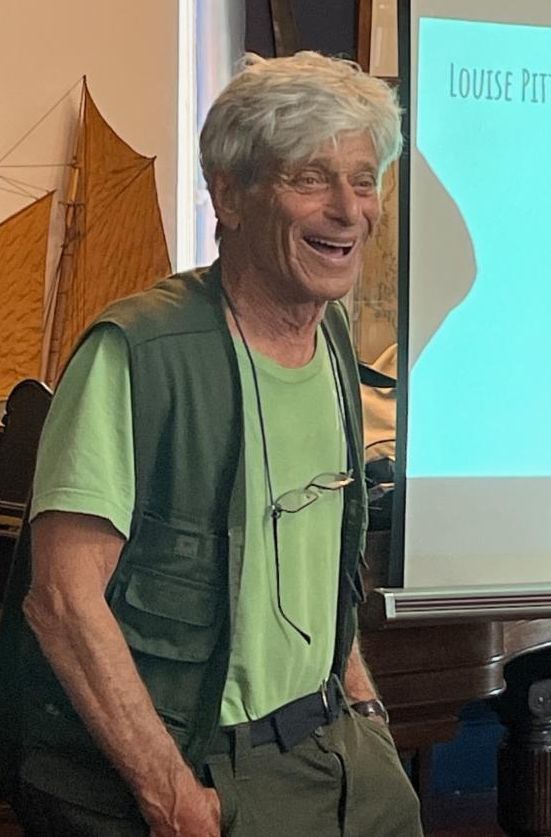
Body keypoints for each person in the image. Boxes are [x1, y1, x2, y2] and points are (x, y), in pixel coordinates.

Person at [0, 51, 422, 837]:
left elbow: (320, 557)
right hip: (206, 774)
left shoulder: (330, 336)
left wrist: (363, 707)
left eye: (363, 181)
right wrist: (172, 798)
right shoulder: (139, 353)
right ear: (228, 194)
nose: (347, 209)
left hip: (339, 750)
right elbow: (60, 602)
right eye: (310, 178)